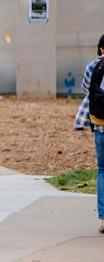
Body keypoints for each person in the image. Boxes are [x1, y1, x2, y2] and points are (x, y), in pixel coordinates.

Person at [75, 35, 104, 232]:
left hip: (100, 125)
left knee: (102, 169)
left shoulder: (93, 66)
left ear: (101, 49)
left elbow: (86, 89)